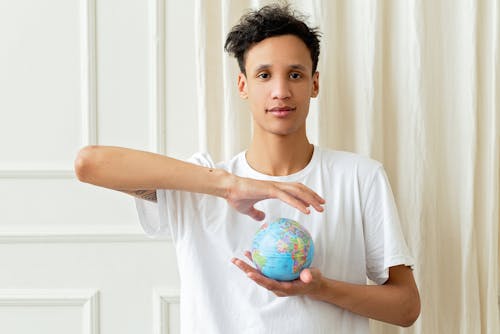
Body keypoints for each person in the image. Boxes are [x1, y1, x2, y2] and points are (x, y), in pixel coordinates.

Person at [75, 4, 420, 333]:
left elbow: (406, 307)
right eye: (264, 75)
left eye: (295, 75)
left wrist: (320, 288)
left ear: (314, 84)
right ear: (243, 85)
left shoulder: (359, 177)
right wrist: (229, 186)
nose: (280, 91)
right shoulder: (201, 185)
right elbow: (89, 164)